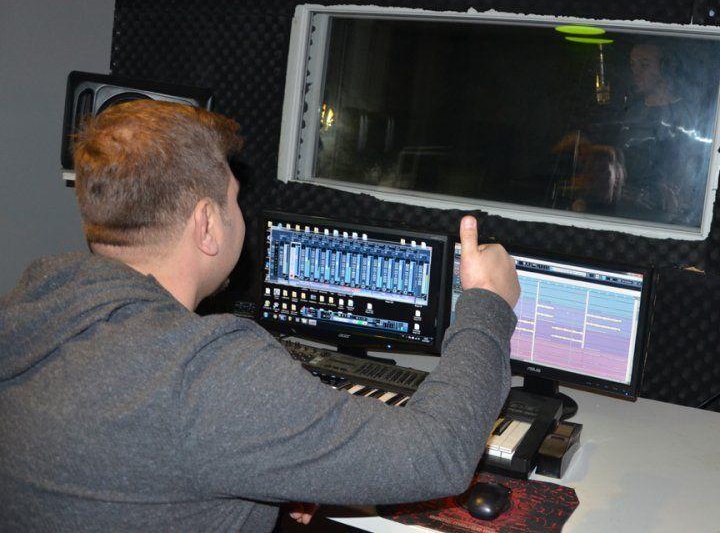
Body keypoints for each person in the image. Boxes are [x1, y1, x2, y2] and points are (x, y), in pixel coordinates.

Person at [0, 100, 521, 531]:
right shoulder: (208, 373)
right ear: (207, 224)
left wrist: (273, 471)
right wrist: (486, 304)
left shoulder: (32, 307)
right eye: (233, 199)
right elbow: (436, 454)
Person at [554, 42, 708, 226]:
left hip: (661, 217)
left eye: (644, 64)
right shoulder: (631, 110)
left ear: (665, 68)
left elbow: (688, 173)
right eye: (633, 65)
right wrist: (586, 197)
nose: (636, 72)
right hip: (624, 213)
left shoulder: (687, 116)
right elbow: (615, 163)